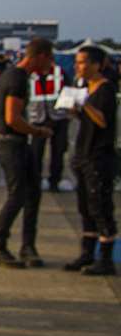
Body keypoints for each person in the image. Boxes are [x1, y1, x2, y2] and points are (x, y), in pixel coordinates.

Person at [0, 38, 55, 268]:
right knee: (17, 195)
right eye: (49, 58)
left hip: (16, 142)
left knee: (32, 193)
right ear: (41, 56)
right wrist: (38, 131)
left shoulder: (14, 75)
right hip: (11, 142)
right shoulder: (17, 78)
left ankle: (28, 246)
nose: (51, 64)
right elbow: (12, 118)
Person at [64, 46, 117, 275]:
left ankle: (105, 258)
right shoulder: (85, 87)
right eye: (77, 62)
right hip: (83, 153)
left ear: (97, 64)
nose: (78, 66)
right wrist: (75, 110)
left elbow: (103, 121)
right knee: (85, 206)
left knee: (100, 206)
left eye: (83, 62)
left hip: (99, 155)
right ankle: (87, 252)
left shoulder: (105, 89)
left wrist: (85, 103)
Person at [28, 61, 71, 192]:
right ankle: (35, 181)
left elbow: (68, 91)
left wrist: (68, 113)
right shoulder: (31, 74)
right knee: (36, 152)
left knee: (58, 152)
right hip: (38, 118)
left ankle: (54, 181)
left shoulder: (59, 73)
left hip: (59, 118)